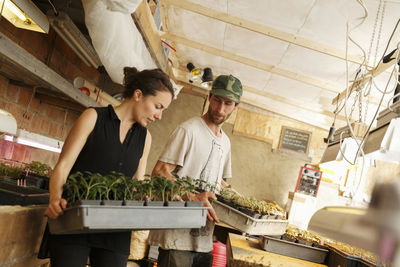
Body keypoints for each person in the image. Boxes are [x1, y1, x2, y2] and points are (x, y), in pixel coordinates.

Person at [44, 67, 174, 267]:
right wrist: (55, 197)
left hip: (116, 228)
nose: (159, 116)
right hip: (74, 220)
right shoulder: (93, 118)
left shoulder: (145, 138)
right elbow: (63, 166)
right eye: (158, 106)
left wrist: (143, 198)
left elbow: (136, 184)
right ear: (138, 95)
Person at [148, 74, 243, 267]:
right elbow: (159, 172)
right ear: (209, 97)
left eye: (227, 103)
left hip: (204, 240)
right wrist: (191, 196)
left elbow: (219, 182)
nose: (220, 109)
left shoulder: (225, 142)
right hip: (176, 239)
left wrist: (244, 202)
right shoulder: (189, 130)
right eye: (217, 100)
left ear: (236, 106)